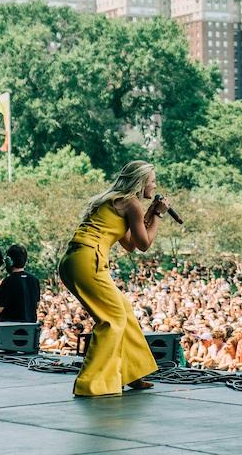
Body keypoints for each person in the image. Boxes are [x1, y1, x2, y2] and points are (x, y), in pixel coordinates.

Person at [58, 160, 168, 397]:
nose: (155, 184)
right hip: (89, 259)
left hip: (74, 260)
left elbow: (129, 244)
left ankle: (133, 373)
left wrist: (149, 213)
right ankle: (91, 383)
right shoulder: (132, 203)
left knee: (124, 310)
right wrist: (157, 215)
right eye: (152, 180)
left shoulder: (115, 201)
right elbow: (144, 245)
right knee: (112, 320)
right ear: (141, 182)